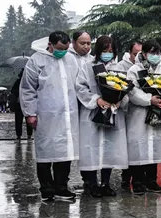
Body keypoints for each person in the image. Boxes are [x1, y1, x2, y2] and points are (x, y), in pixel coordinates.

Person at [20, 31, 79, 202]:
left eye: (66, 48)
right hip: (45, 115)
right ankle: (46, 189)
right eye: (60, 48)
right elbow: (28, 89)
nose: (63, 52)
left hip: (68, 115)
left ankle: (61, 187)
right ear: (50, 45)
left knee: (65, 153)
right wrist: (30, 113)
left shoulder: (71, 59)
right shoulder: (36, 60)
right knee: (45, 153)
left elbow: (77, 84)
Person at [76, 36, 129, 197]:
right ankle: (92, 183)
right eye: (105, 50)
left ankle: (106, 183)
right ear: (98, 50)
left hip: (113, 111)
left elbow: (126, 89)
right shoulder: (88, 66)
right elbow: (80, 88)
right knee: (91, 148)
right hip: (92, 112)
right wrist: (97, 100)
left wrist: (119, 101)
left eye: (111, 50)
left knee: (109, 148)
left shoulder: (118, 68)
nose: (108, 53)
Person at [126, 40, 161, 194]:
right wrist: (149, 99)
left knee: (155, 146)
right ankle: (137, 181)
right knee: (139, 147)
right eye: (152, 53)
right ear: (144, 54)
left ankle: (151, 180)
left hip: (159, 113)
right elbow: (132, 91)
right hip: (140, 115)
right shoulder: (134, 70)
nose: (156, 56)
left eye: (158, 53)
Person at [117, 40, 142, 188]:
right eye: (135, 53)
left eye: (140, 53)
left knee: (137, 145)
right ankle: (126, 176)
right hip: (124, 110)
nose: (137, 56)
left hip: (138, 112)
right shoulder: (121, 66)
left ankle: (139, 176)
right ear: (129, 53)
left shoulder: (144, 67)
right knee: (125, 146)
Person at [10, 70, 33, 140]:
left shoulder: (19, 82)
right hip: (26, 104)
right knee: (27, 120)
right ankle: (28, 135)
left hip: (21, 104)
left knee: (19, 121)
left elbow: (12, 91)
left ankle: (20, 135)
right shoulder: (28, 82)